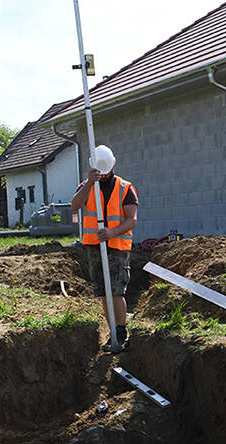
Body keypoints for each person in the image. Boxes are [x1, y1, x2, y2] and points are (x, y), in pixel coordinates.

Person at [71, 145, 138, 352]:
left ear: (113, 165)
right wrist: (89, 184)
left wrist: (112, 232)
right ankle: (112, 333)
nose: (104, 173)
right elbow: (75, 206)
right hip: (94, 247)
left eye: (106, 169)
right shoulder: (87, 186)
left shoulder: (125, 188)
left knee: (116, 291)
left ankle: (121, 332)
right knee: (103, 292)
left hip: (117, 246)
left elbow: (131, 220)